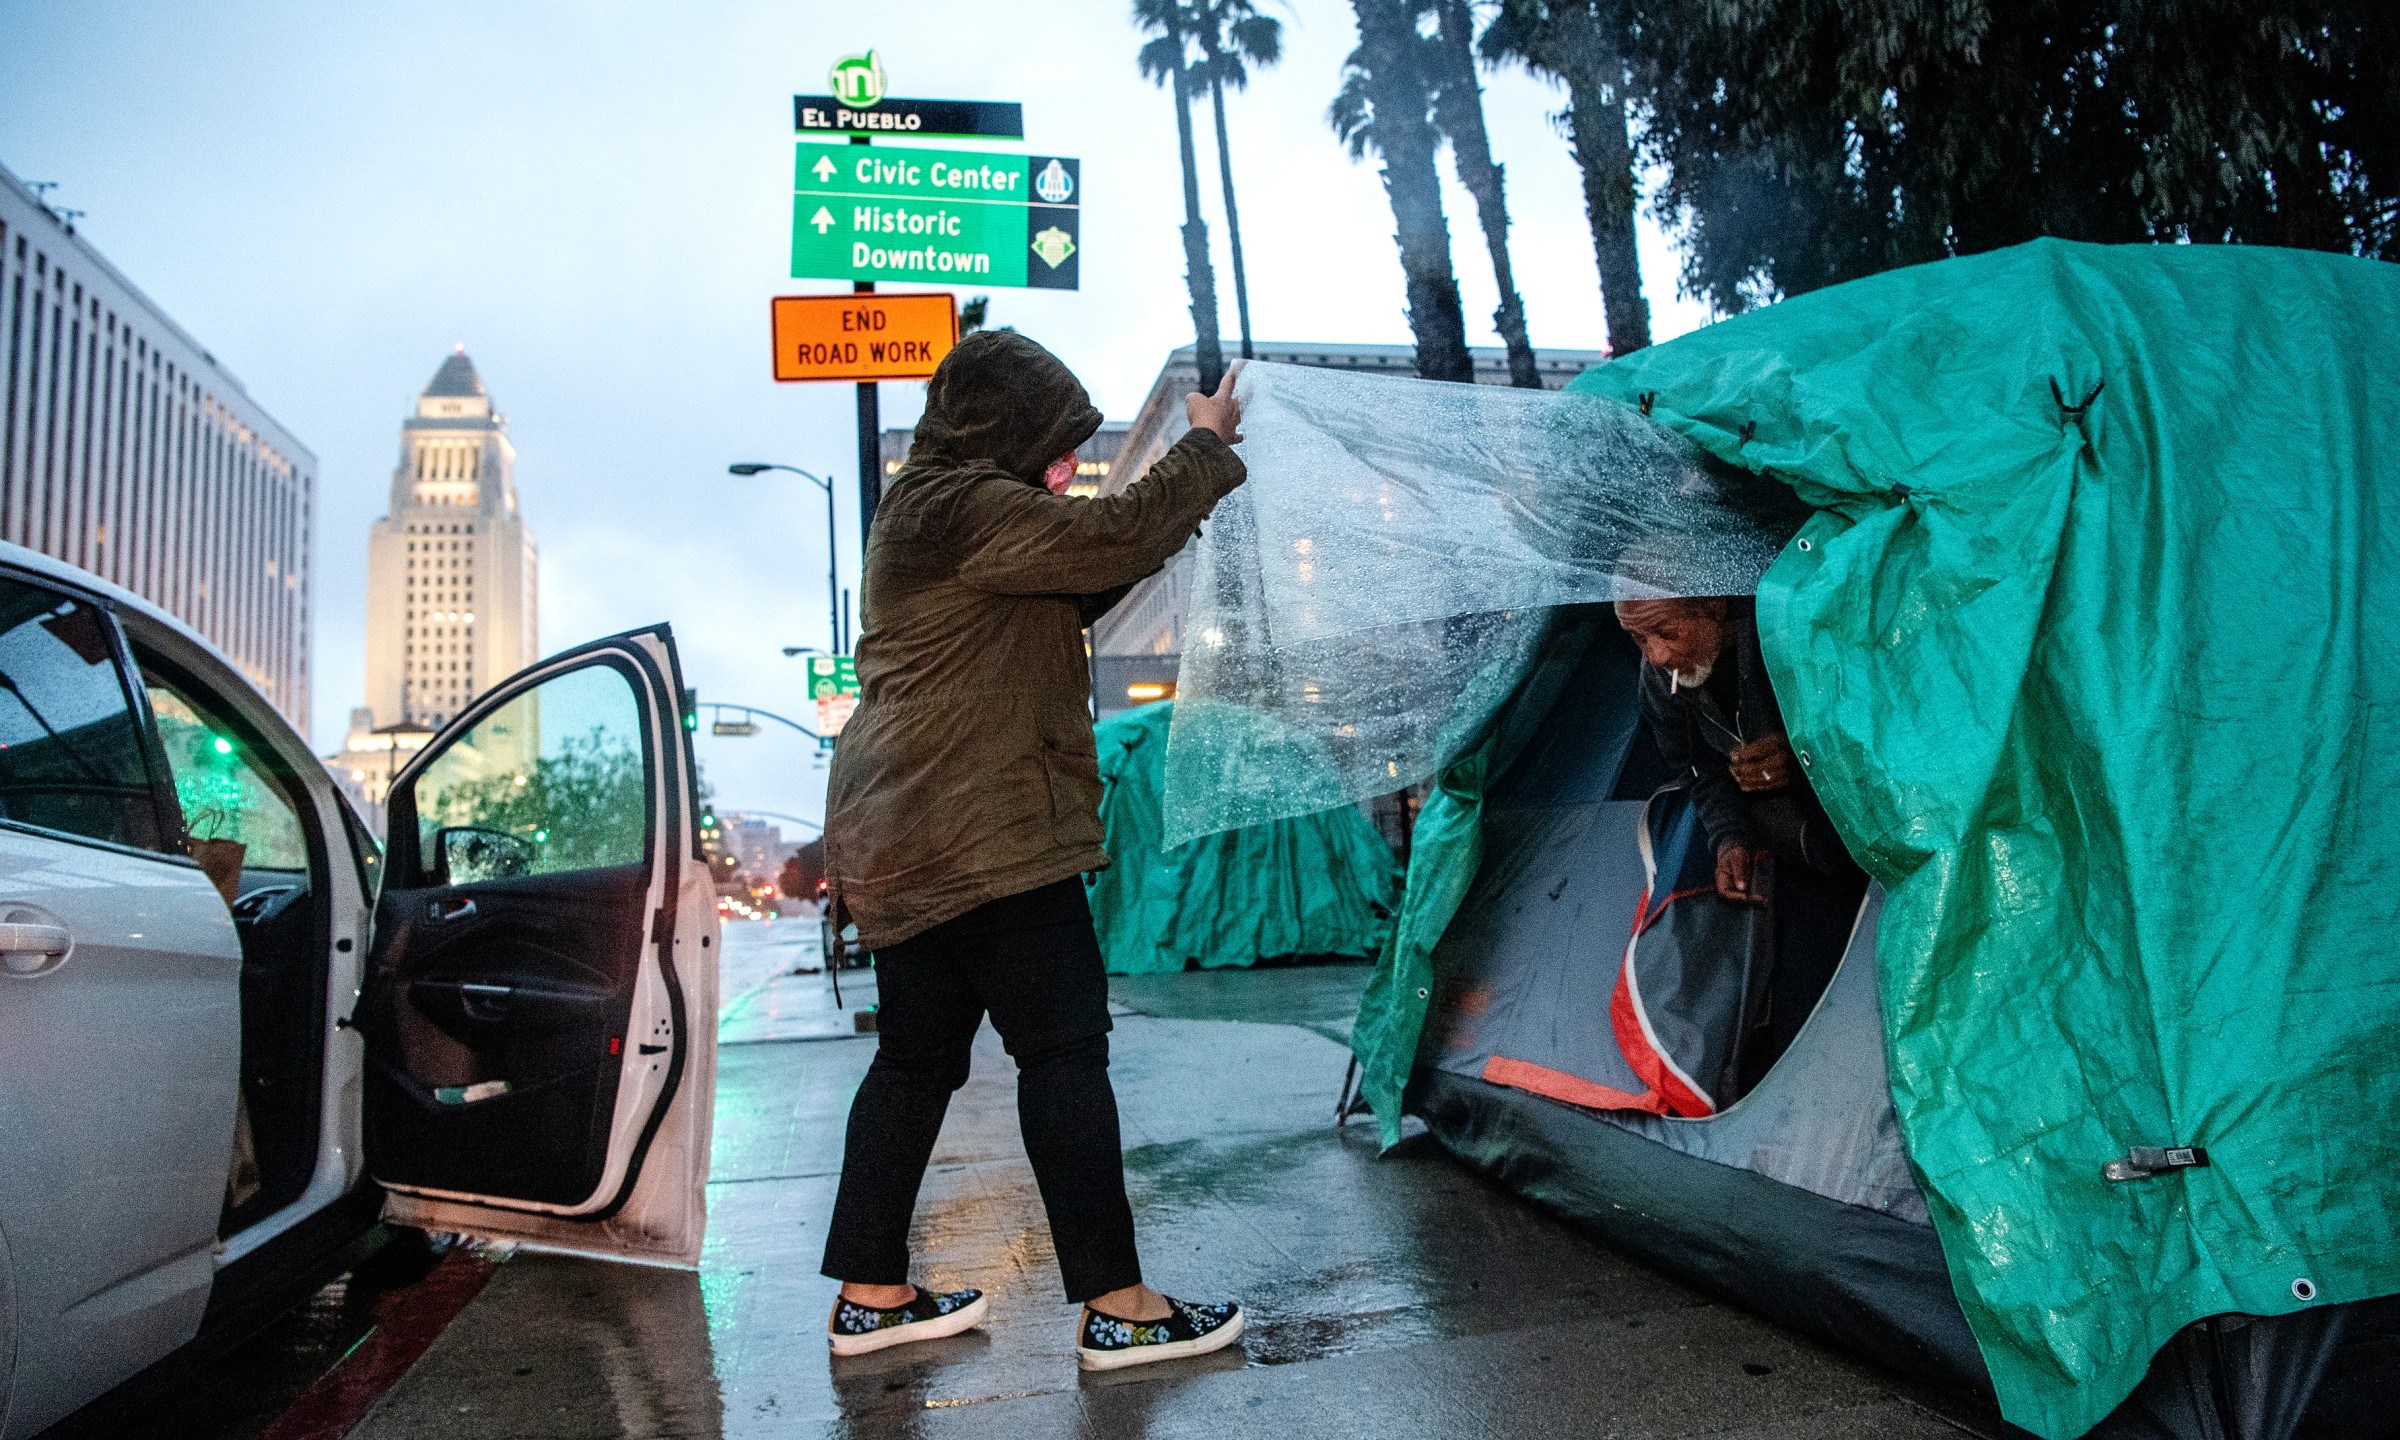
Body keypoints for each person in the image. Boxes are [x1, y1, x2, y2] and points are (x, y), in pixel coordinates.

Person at [818, 331, 1249, 1371]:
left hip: (913, 837)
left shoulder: (930, 511)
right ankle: (1121, 1305)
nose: (1064, 465)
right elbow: (1101, 543)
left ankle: (872, 1296)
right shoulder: (960, 503)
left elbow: (1085, 569)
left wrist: (1168, 509)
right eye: (1052, 442)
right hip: (986, 834)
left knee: (915, 1061)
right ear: (996, 424)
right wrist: (1204, 449)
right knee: (1062, 1053)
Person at [1614, 594, 1866, 1085]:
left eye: (1665, 631)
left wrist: (1806, 760)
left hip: (1869, 850)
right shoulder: (1660, 682)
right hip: (1798, 858)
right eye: (1637, 639)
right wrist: (1729, 838)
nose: (1655, 655)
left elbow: (1878, 730)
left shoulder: (1791, 633)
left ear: (1713, 607)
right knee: (1802, 1009)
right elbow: (1696, 769)